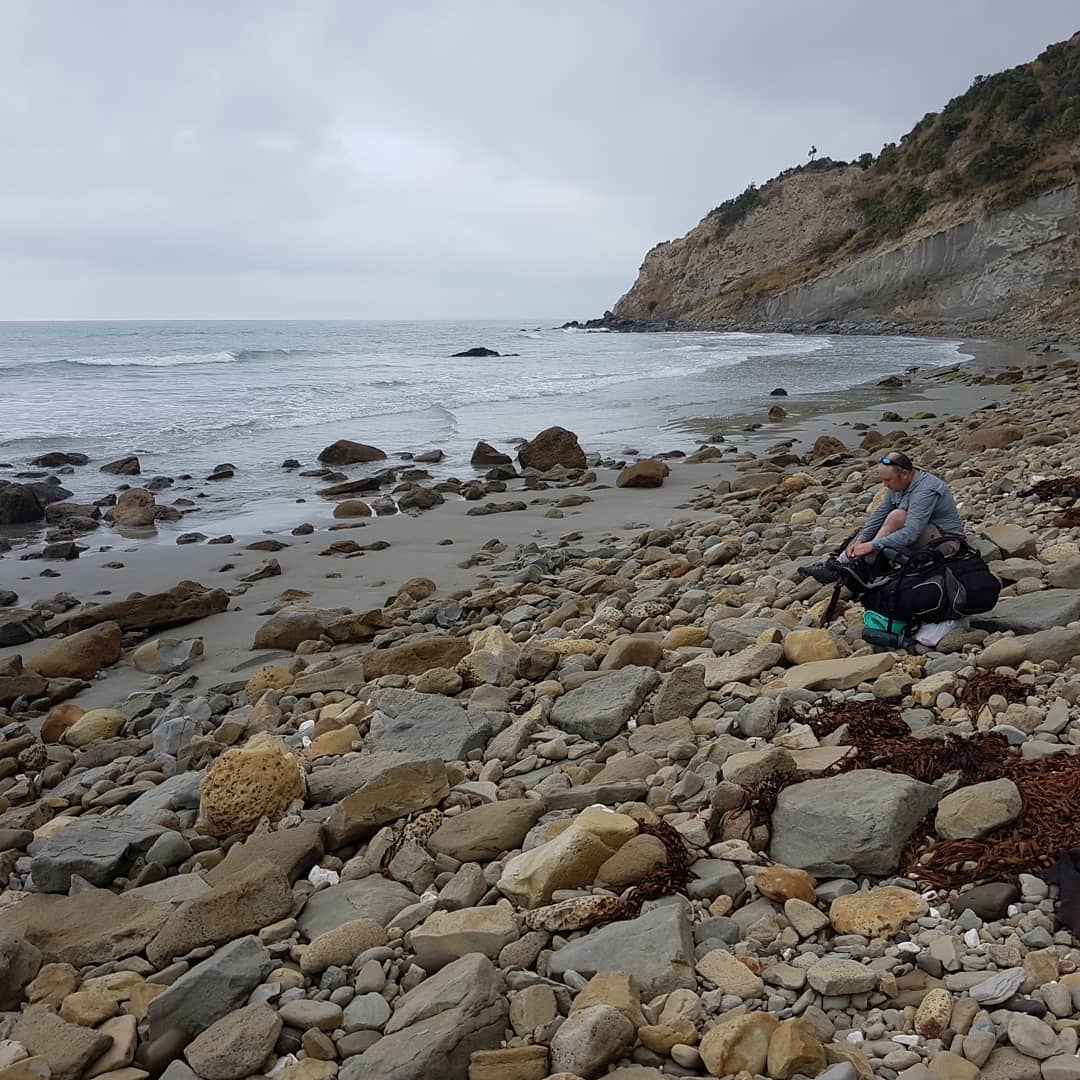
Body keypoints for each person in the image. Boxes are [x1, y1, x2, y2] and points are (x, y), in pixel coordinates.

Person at [800, 450, 965, 585]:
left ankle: (862, 566)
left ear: (906, 474)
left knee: (896, 516)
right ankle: (843, 564)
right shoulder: (899, 484)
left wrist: (872, 545)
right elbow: (879, 514)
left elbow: (911, 533)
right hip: (923, 535)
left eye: (888, 480)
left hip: (947, 543)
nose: (885, 485)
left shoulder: (925, 490)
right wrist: (861, 540)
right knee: (874, 526)